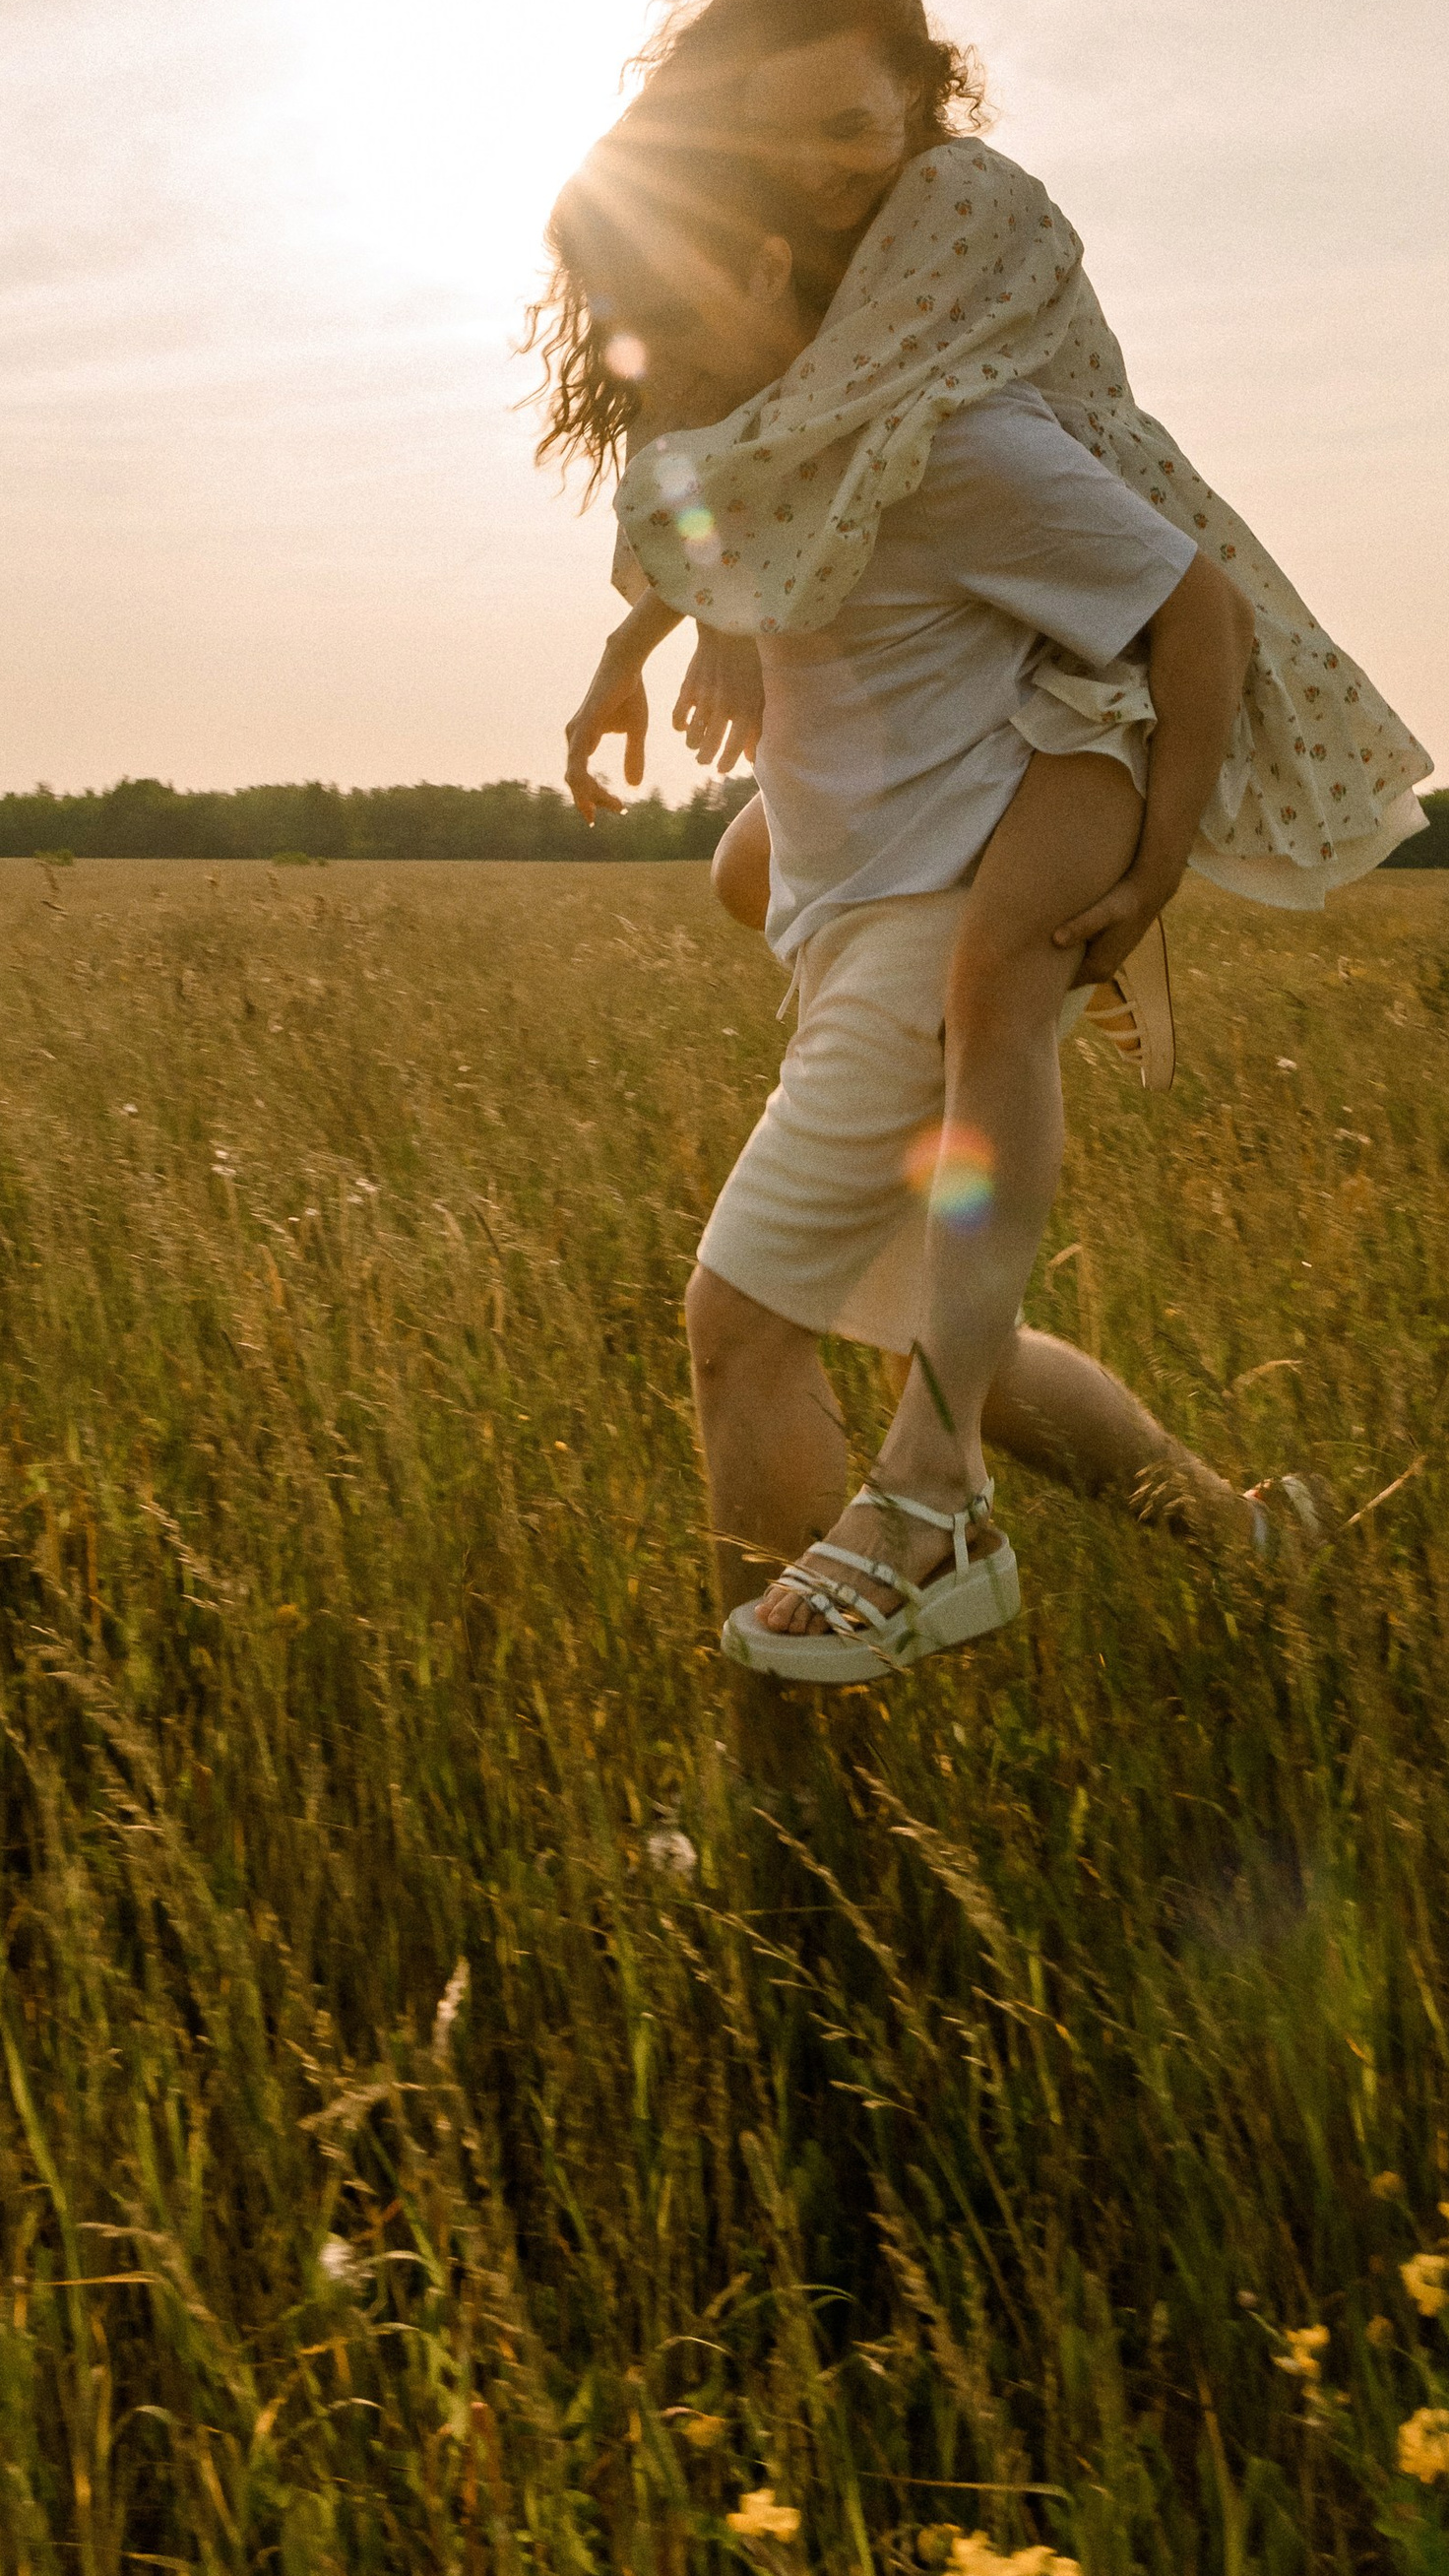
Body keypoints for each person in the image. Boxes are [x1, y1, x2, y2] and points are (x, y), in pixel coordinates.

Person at [538, 132, 1316, 1684]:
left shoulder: (949, 444)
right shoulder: (745, 447)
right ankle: (1252, 1544)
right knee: (963, 1348)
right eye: (615, 340)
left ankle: (801, 1808)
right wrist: (631, 659)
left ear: (765, 272)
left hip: (930, 918)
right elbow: (702, 550)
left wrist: (1150, 865)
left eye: (658, 325)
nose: (640, 373)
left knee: (739, 1325)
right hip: (845, 918)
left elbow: (1201, 612)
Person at [539, 0, 1433, 1108]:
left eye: (848, 125)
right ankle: (1002, 998)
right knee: (748, 870)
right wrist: (664, 631)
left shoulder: (961, 202)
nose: (815, 166)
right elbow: (732, 437)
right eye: (781, 135)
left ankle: (1047, 961)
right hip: (956, 577)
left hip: (1069, 607)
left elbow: (810, 436)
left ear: (922, 87)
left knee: (977, 992)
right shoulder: (809, 228)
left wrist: (699, 620)